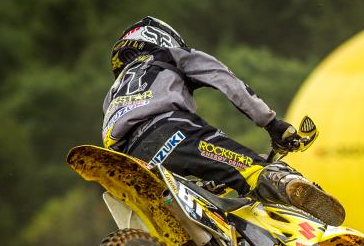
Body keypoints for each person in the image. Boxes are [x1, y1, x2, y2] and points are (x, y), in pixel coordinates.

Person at [103, 16, 344, 226]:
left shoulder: (112, 94)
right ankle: (287, 185)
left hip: (131, 161)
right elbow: (225, 79)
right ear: (163, 38)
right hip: (172, 133)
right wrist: (272, 124)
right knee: (254, 169)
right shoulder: (171, 55)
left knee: (196, 219)